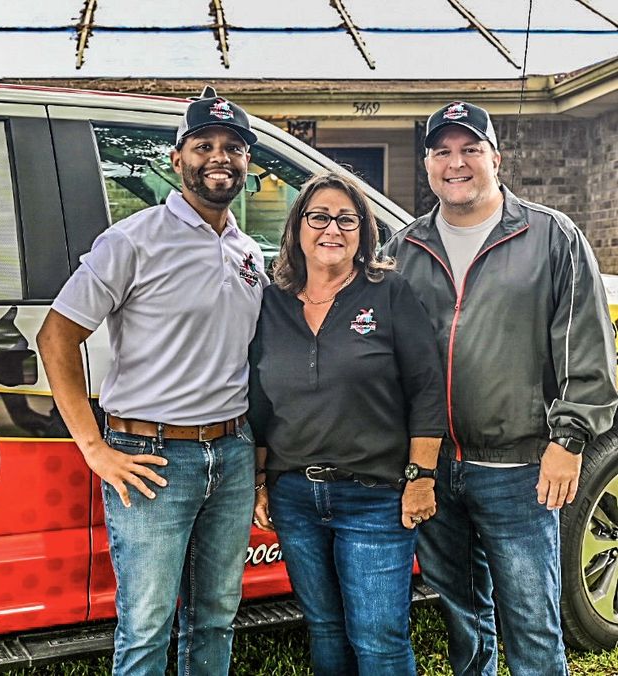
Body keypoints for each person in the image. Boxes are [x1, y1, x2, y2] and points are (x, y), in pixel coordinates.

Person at [36, 87, 269, 676]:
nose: (220, 157)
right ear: (177, 159)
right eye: (204, 145)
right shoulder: (132, 240)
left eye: (234, 147)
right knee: (146, 625)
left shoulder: (248, 253)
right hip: (151, 457)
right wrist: (95, 449)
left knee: (216, 616)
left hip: (233, 454)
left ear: (247, 163)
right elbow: (56, 337)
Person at [384, 101, 618, 675]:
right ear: (428, 163)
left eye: (470, 150)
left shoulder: (551, 236)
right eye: (443, 151)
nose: (455, 163)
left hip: (517, 469)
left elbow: (587, 350)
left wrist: (568, 443)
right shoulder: (402, 249)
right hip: (432, 467)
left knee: (531, 624)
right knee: (464, 617)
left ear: (496, 158)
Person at [248, 171, 446, 675]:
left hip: (376, 495)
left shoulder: (389, 293)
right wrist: (260, 481)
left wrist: (421, 478)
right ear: (297, 228)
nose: (330, 229)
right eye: (318, 217)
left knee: (378, 638)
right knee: (325, 628)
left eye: (346, 219)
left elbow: (427, 387)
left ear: (363, 233)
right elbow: (260, 402)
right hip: (295, 495)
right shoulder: (272, 301)